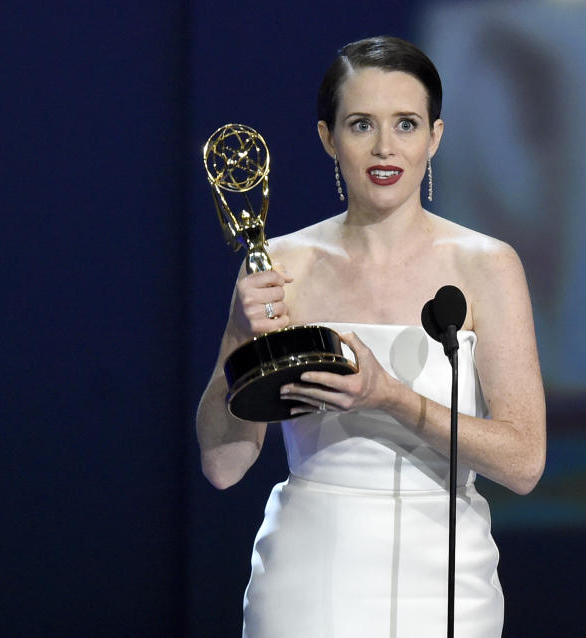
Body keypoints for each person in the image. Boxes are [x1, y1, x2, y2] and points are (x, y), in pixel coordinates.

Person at [196, 35, 546, 638]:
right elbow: (224, 465)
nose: (386, 148)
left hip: (447, 581)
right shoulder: (283, 266)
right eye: (361, 125)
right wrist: (236, 331)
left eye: (406, 124)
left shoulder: (488, 266)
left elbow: (523, 463)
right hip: (311, 578)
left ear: (435, 136)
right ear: (328, 138)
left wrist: (392, 398)